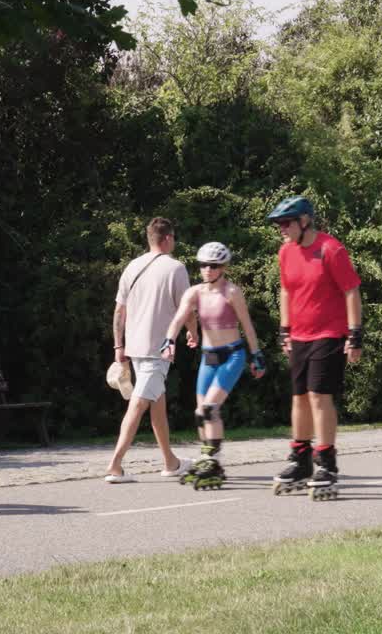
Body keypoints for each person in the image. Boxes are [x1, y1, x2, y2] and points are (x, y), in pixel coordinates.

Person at [266, 196, 363, 499]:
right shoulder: (285, 252)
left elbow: (351, 291)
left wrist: (355, 334)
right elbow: (285, 290)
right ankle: (300, 457)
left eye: (285, 223)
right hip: (300, 336)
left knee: (319, 396)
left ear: (304, 221)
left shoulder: (330, 249)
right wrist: (284, 330)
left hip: (330, 333)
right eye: (278, 225)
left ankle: (327, 462)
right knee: (299, 398)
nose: (281, 229)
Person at [160, 242, 266, 489]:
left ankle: (213, 461)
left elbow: (247, 326)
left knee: (210, 408)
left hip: (232, 355)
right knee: (199, 413)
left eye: (213, 265)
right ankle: (210, 460)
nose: (207, 269)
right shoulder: (195, 292)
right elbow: (178, 319)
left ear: (223, 267)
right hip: (209, 356)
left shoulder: (231, 292)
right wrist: (168, 341)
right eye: (204, 265)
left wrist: (256, 354)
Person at [104, 217, 195, 483]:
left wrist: (118, 346)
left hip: (135, 348)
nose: (174, 242)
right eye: (174, 238)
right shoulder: (176, 268)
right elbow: (187, 307)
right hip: (158, 350)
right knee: (138, 405)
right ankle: (115, 465)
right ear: (167, 238)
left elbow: (119, 311)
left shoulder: (132, 267)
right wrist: (194, 331)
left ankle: (170, 462)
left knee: (157, 406)